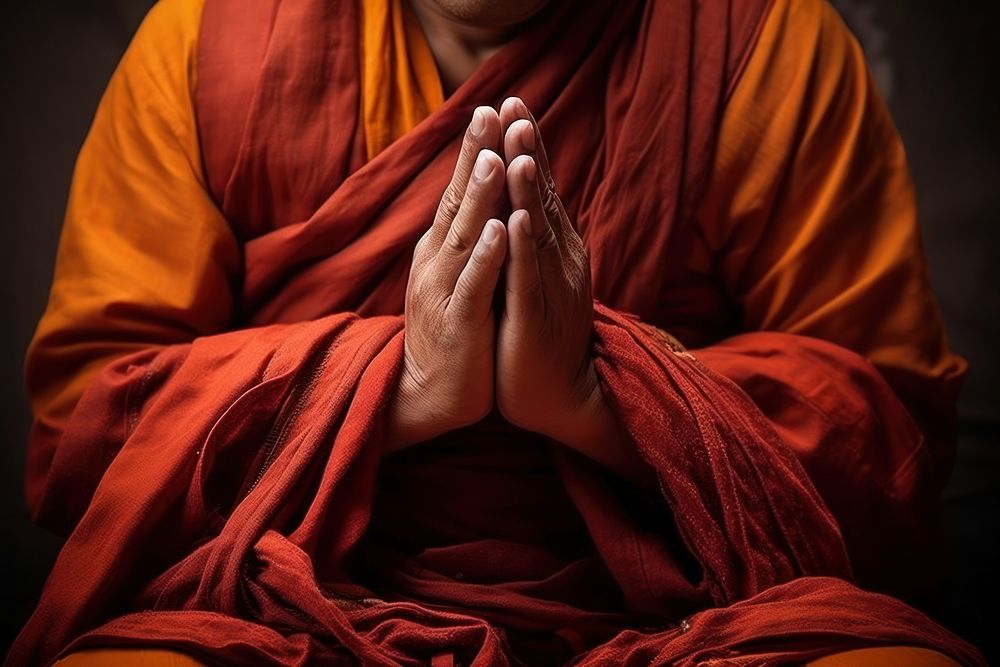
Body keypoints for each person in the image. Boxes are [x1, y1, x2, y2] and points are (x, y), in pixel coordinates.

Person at [8, 0, 983, 664]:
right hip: (292, 599)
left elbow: (888, 438)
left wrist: (601, 396)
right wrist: (399, 385)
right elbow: (83, 432)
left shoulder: (755, 37)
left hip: (689, 612)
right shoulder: (217, 37)